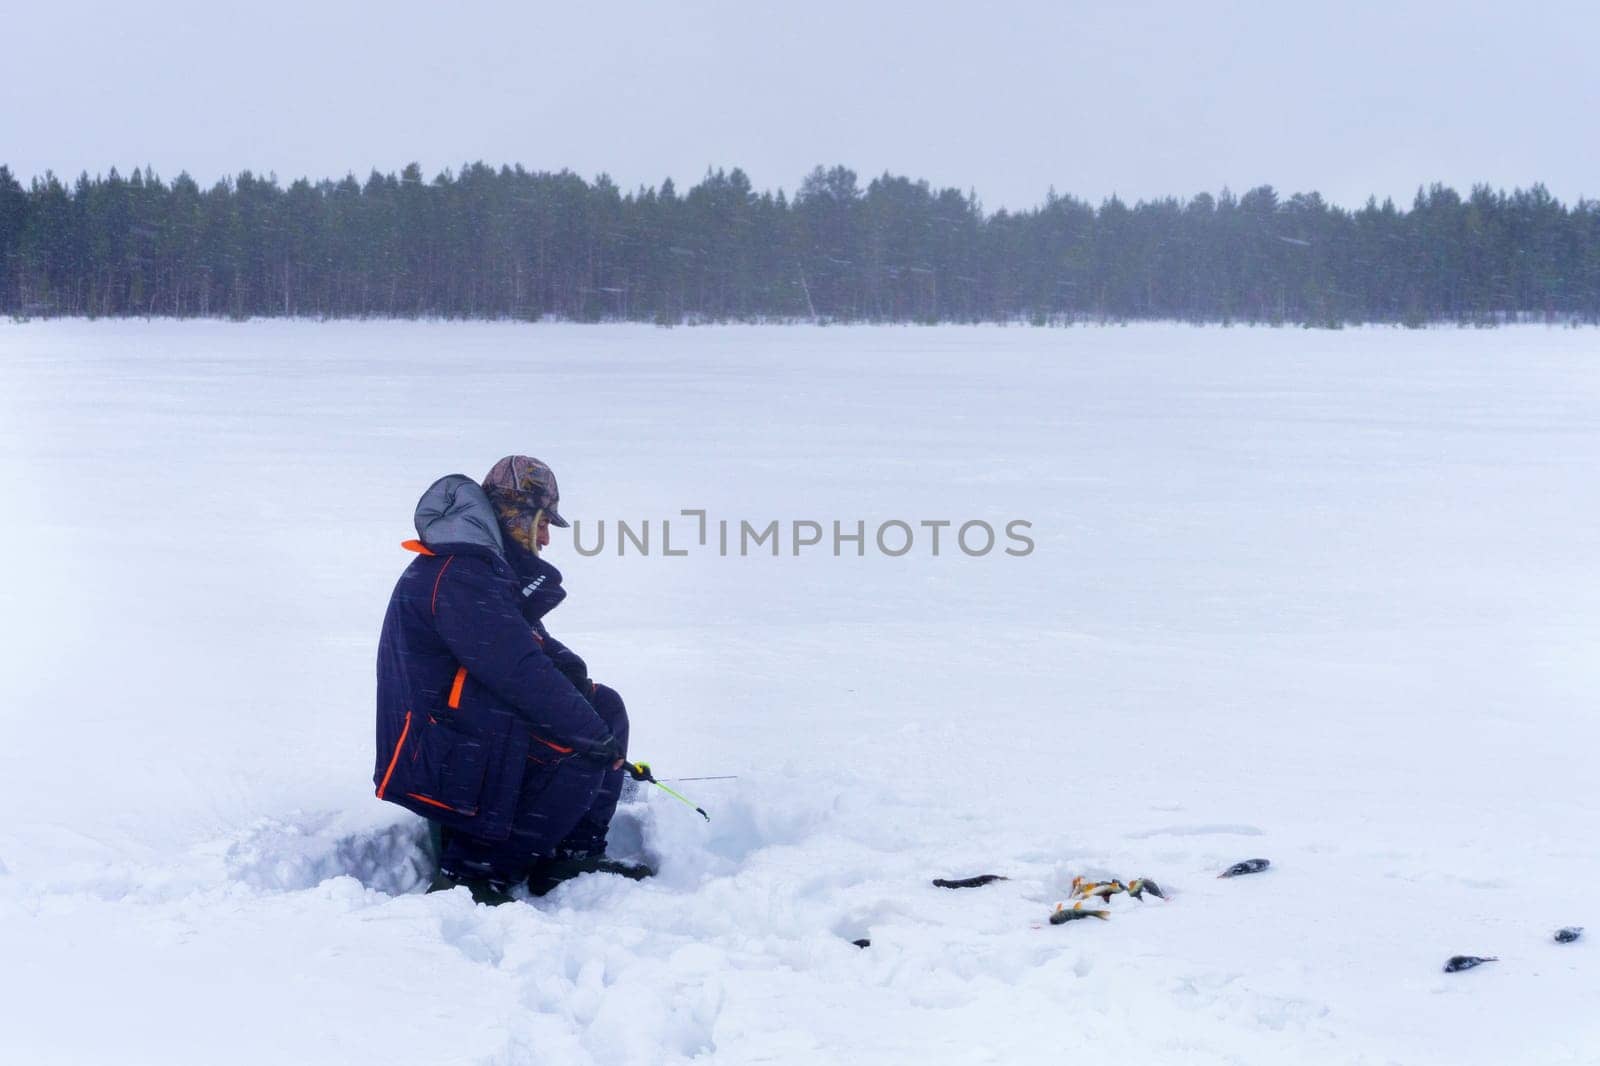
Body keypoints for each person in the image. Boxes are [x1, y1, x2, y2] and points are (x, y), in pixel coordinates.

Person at [374, 455, 650, 903]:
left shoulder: (477, 568)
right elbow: (517, 669)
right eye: (542, 523)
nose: (545, 538)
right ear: (514, 515)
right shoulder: (460, 574)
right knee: (581, 744)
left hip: (462, 734)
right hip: (440, 751)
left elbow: (522, 645)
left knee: (604, 707)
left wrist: (572, 675)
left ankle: (570, 852)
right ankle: (473, 870)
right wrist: (589, 734)